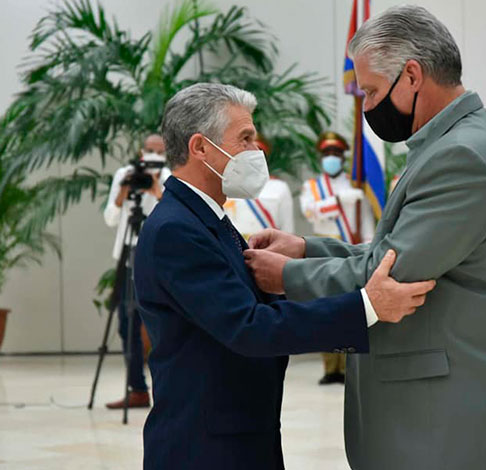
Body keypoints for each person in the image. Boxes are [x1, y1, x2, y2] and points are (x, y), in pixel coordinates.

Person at [244, 6, 486, 469]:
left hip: (460, 419)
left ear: (412, 75)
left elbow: (390, 273)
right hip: (450, 412)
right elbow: (396, 249)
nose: (367, 107)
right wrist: (309, 248)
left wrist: (289, 277)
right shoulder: (450, 143)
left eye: (370, 91)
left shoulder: (462, 156)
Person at [133, 83, 435, 470]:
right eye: (245, 138)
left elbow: (262, 300)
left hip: (240, 432)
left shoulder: (207, 217)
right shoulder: (177, 229)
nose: (257, 150)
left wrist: (301, 269)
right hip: (205, 446)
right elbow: (249, 327)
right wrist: (366, 307)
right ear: (200, 147)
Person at [299, 131, 375, 385]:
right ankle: (330, 367)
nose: (331, 158)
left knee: (351, 309)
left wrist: (368, 244)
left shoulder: (356, 185)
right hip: (323, 251)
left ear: (343, 157)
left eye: (336, 154)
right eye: (327, 154)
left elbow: (365, 223)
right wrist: (338, 201)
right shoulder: (312, 187)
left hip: (351, 249)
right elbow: (311, 212)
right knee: (326, 309)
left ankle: (348, 365)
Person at [102, 134, 170, 409]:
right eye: (149, 150)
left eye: (159, 151)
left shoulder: (170, 176)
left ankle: (166, 392)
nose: (153, 155)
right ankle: (138, 389)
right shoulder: (124, 174)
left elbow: (174, 214)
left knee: (161, 326)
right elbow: (110, 218)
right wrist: (123, 192)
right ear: (140, 151)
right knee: (125, 326)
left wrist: (156, 190)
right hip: (128, 256)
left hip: (157, 259)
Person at [224, 133, 294, 239]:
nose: (253, 158)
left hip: (267, 248)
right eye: (247, 153)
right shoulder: (227, 184)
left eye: (257, 154)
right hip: (235, 245)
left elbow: (287, 228)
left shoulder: (279, 187)